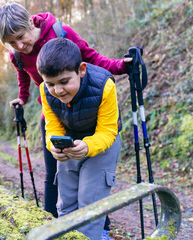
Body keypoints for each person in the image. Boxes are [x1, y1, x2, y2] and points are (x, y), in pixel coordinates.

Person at [0, 2, 130, 231]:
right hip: (53, 110)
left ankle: (99, 227)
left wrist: (119, 67)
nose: (19, 45)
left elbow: (91, 59)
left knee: (92, 182)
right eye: (11, 43)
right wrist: (22, 98)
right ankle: (53, 224)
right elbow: (24, 77)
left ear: (29, 22)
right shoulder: (18, 57)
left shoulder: (60, 33)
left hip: (87, 107)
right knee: (55, 174)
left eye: (20, 37)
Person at [37, 37, 121, 240]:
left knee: (90, 202)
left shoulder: (105, 86)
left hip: (103, 144)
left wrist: (88, 146)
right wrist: (53, 145)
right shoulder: (46, 92)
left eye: (64, 82)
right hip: (70, 143)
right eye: (50, 84)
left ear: (81, 70)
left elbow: (108, 131)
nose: (58, 90)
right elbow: (52, 126)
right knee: (65, 203)